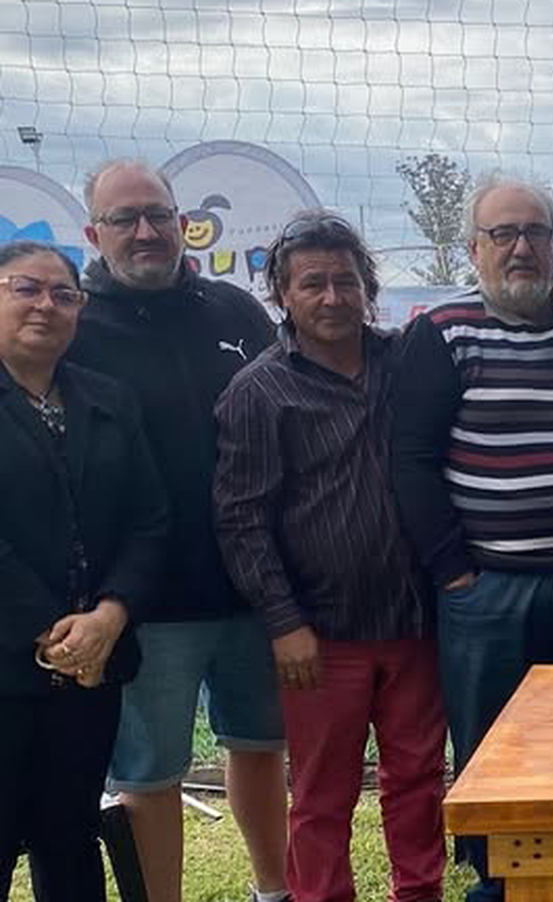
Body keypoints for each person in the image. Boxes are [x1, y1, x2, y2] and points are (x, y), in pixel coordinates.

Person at [391, 173, 553, 902]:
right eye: (502, 234)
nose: (521, 247)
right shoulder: (441, 333)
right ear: (473, 248)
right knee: (493, 763)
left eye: (535, 232)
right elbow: (409, 460)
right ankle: (500, 889)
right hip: (490, 594)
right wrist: (454, 573)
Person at [68, 160, 290, 902]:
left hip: (253, 588)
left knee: (260, 748)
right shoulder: (73, 322)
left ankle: (274, 892)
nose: (145, 232)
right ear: (93, 233)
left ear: (182, 222)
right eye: (125, 219)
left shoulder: (235, 311)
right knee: (148, 775)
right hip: (142, 600)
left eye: (158, 215)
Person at [214, 212, 447, 902]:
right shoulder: (258, 391)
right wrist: (284, 623)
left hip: (415, 624)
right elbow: (240, 519)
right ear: (282, 294)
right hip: (319, 634)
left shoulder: (407, 360)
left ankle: (420, 893)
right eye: (312, 283)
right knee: (321, 796)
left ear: (367, 287)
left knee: (417, 781)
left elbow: (481, 324)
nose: (331, 297)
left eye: (346, 281)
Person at [0, 240, 168, 900]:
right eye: (25, 289)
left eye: (63, 294)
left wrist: (110, 616)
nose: (46, 305)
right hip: (12, 663)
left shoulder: (109, 400)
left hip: (91, 669)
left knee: (68, 838)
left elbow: (150, 520)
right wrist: (51, 632)